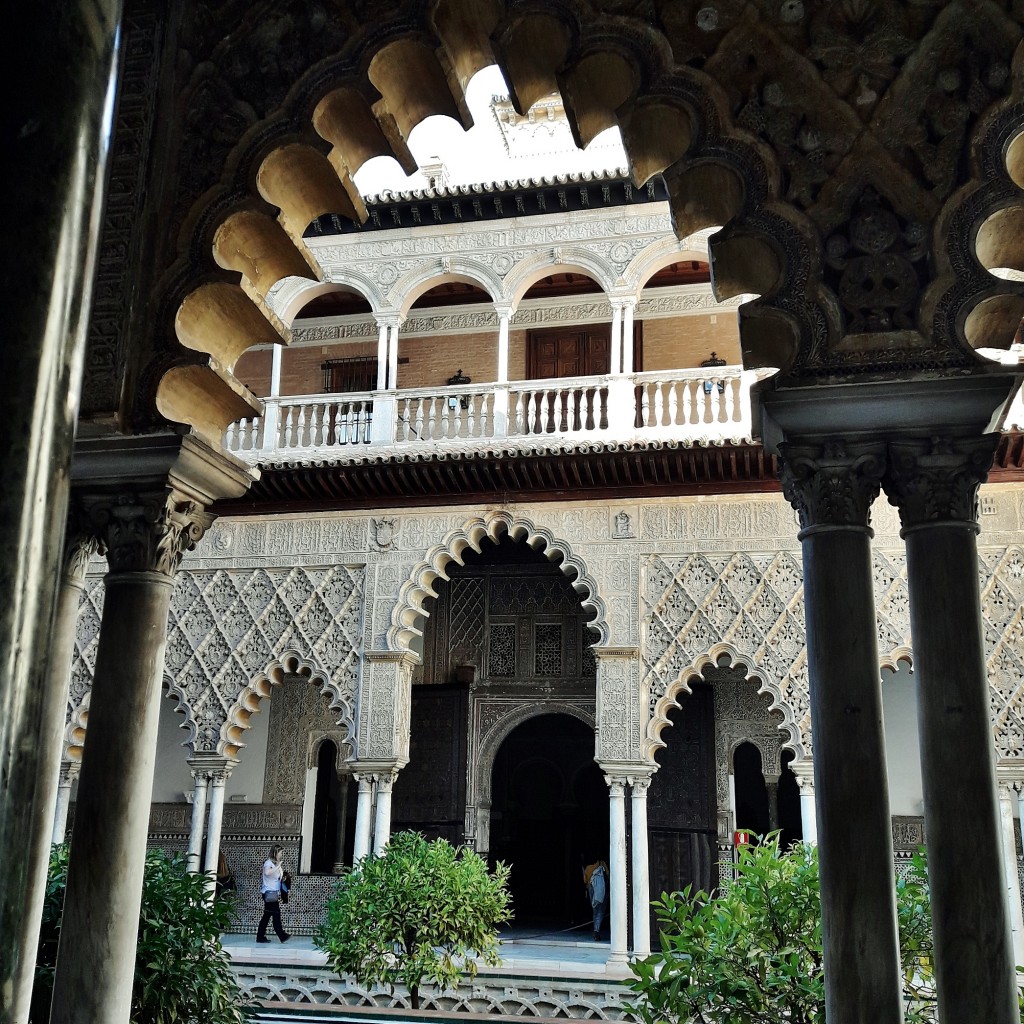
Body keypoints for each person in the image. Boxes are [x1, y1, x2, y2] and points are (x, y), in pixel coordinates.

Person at [256, 844, 291, 943]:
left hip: (274, 893)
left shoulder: (275, 864)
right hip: (269, 893)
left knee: (267, 916)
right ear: (275, 853)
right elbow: (267, 873)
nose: (281, 854)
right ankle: (281, 935)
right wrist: (278, 866)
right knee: (276, 914)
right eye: (280, 852)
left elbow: (278, 878)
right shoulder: (268, 863)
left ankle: (260, 936)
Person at [584, 858, 609, 941]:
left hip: (590, 887)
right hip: (601, 889)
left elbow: (585, 880)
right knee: (601, 910)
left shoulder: (587, 867)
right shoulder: (602, 863)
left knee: (595, 910)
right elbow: (608, 875)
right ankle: (596, 930)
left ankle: (596, 928)